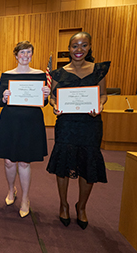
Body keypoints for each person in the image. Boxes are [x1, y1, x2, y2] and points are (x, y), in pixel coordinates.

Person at [46, 32, 110, 229]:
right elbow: (53, 98)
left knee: (87, 164)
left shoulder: (98, 70)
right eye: (75, 46)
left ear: (89, 47)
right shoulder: (58, 73)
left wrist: (99, 105)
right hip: (66, 124)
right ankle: (63, 204)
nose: (79, 49)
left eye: (84, 45)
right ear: (69, 49)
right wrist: (54, 105)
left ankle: (81, 206)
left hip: (90, 124)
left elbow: (104, 95)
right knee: (64, 164)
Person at [0, 41, 50, 218]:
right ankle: (11, 190)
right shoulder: (7, 75)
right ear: (16, 55)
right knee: (9, 161)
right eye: (22, 53)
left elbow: (44, 102)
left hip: (31, 123)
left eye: (29, 53)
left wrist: (46, 95)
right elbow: (1, 102)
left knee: (25, 162)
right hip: (10, 122)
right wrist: (3, 96)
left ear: (32, 55)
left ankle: (25, 198)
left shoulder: (40, 74)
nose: (25, 56)